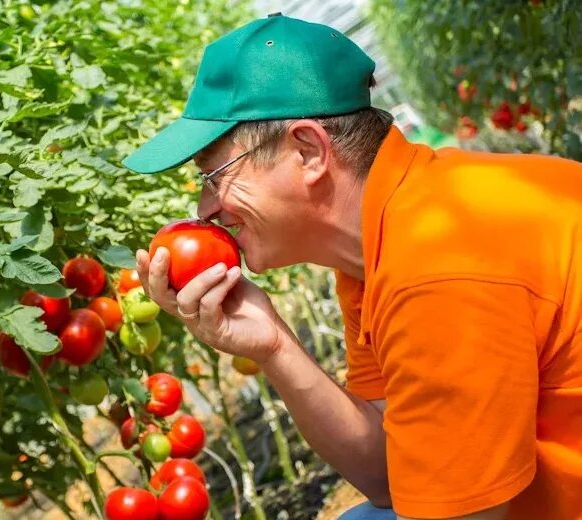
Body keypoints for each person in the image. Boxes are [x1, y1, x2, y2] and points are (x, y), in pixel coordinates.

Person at [122, 13, 582, 520]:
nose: (205, 209)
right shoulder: (383, 241)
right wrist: (274, 346)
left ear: (308, 151)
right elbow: (387, 475)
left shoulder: (435, 268)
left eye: (215, 175)